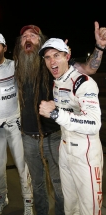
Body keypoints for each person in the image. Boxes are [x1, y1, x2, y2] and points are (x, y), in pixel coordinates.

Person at [13, 22, 106, 215]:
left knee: (72, 195)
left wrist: (99, 47)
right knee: (52, 192)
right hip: (44, 140)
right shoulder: (20, 66)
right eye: (24, 37)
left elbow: (88, 70)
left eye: (33, 35)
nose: (28, 39)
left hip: (60, 139)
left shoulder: (69, 73)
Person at [38, 38, 103, 215]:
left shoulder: (83, 82)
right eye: (48, 57)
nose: (52, 61)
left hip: (85, 153)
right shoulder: (58, 81)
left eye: (57, 55)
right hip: (65, 148)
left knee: (89, 209)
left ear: (68, 56)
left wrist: (56, 113)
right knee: (70, 206)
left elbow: (94, 123)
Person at [0, 32, 34, 215]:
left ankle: (28, 202)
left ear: (5, 48)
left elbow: (34, 66)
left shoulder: (14, 65)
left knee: (21, 166)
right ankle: (2, 198)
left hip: (15, 123)